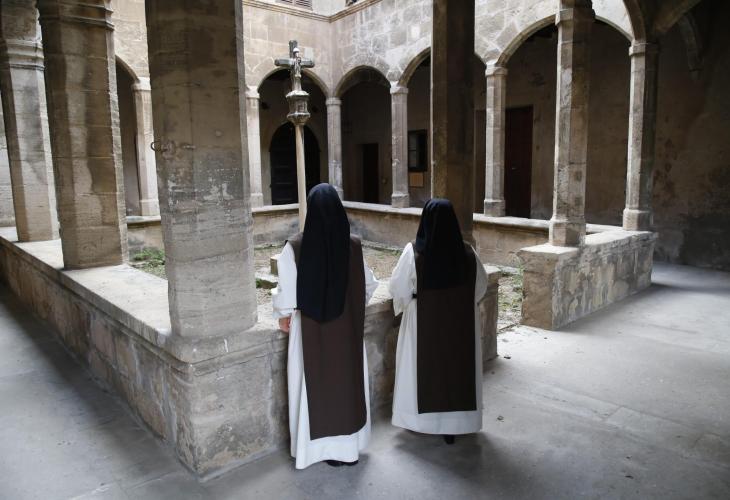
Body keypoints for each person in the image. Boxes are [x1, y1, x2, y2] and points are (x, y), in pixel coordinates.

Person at [273, 183, 379, 469]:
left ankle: (321, 450)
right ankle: (349, 449)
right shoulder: (353, 245)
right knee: (347, 385)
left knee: (315, 388)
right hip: (347, 332)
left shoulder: (295, 248)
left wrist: (283, 313)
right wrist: (350, 305)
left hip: (310, 331)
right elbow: (369, 285)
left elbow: (287, 294)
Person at [388, 198, 489, 444]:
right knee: (457, 368)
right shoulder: (468, 253)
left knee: (420, 369)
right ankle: (455, 425)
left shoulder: (414, 253)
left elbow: (398, 288)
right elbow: (480, 287)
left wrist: (408, 302)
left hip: (422, 322)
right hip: (460, 323)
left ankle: (421, 423)